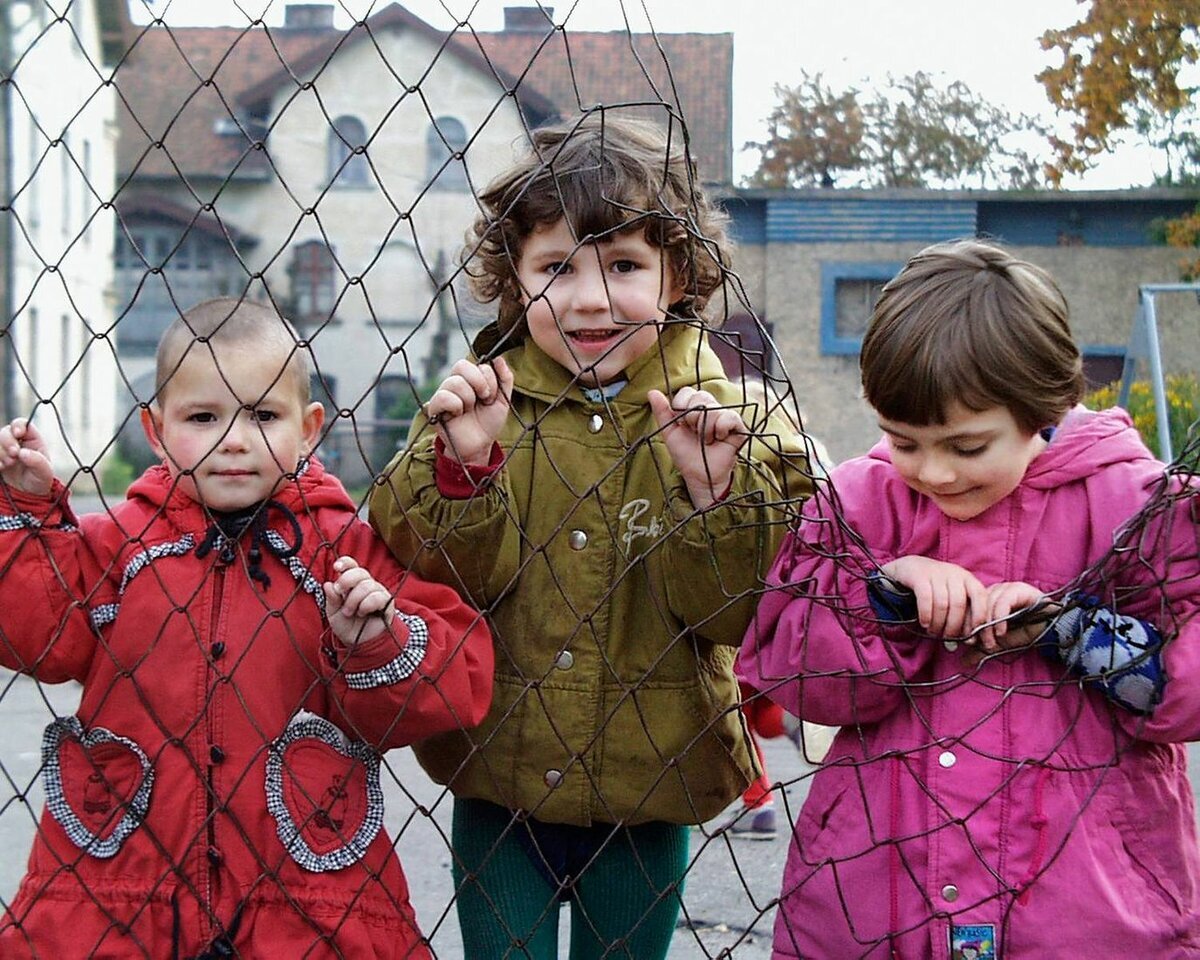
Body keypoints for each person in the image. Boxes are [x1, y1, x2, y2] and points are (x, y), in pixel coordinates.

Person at [369, 112, 812, 958]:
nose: (591, 298)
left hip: (648, 790)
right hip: (498, 780)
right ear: (513, 279)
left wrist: (713, 494)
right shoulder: (477, 405)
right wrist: (468, 468)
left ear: (677, 274)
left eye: (623, 265)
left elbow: (739, 615)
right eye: (555, 267)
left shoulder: (738, 424)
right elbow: (433, 571)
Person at [738, 239, 1200, 957]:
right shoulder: (859, 501)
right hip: (879, 899)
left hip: (1083, 908)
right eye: (904, 441)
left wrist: (1072, 631)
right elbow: (800, 675)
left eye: (967, 446)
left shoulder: (1135, 505)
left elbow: (1188, 684)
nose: (935, 473)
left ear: (1045, 406)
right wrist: (888, 595)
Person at [0, 297, 494, 959]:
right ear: (155, 429)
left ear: (310, 428)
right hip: (124, 883)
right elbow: (37, 635)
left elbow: (456, 677)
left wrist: (374, 637)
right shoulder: (119, 544)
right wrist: (27, 509)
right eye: (203, 417)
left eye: (263, 416)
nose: (234, 440)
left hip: (304, 887)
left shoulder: (341, 550)